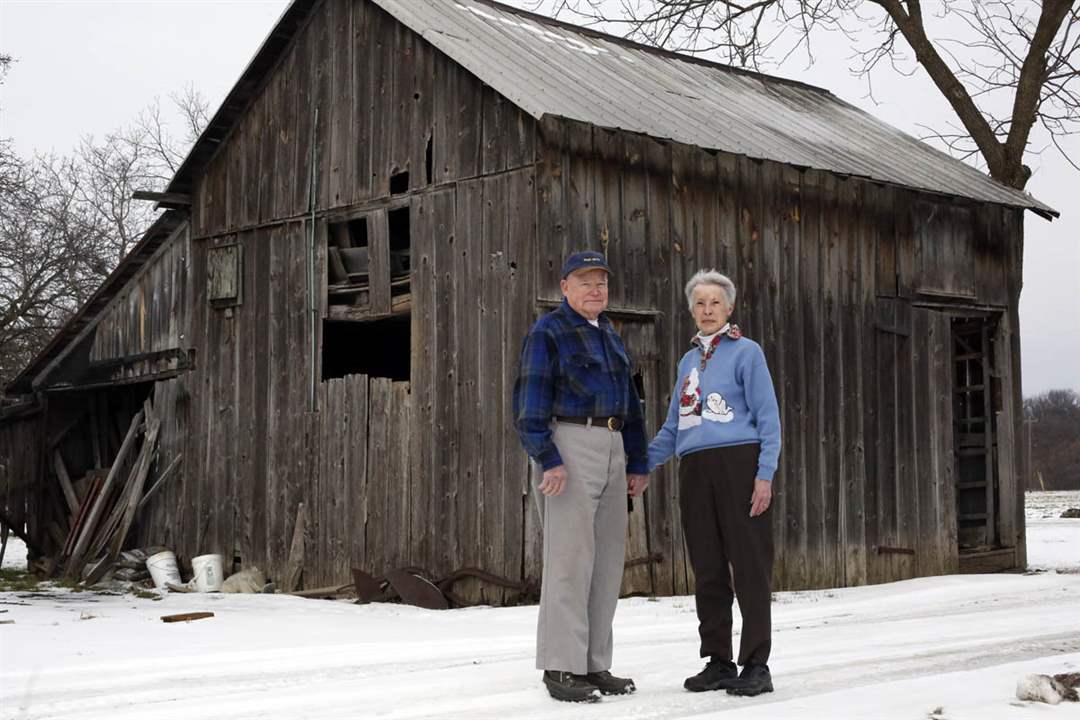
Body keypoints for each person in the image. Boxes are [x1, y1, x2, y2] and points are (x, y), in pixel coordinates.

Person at [512, 250, 649, 703]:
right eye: (586, 281)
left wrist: (638, 462)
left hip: (612, 445)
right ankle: (561, 667)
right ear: (565, 285)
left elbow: (631, 404)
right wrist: (547, 458)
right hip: (570, 446)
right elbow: (529, 403)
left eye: (602, 282)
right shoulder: (548, 332)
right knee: (570, 561)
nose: (596, 290)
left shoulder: (609, 334)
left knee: (607, 563)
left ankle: (594, 664)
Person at [646, 269, 781, 697]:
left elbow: (768, 418)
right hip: (695, 469)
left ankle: (756, 663)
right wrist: (638, 466)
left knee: (750, 565)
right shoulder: (688, 362)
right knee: (707, 567)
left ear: (729, 308)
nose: (707, 310)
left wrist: (764, 475)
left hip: (739, 464)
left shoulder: (747, 352)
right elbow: (673, 428)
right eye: (699, 303)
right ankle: (718, 659)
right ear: (691, 310)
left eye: (714, 303)